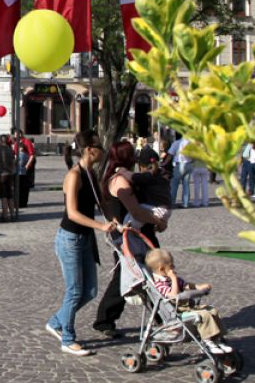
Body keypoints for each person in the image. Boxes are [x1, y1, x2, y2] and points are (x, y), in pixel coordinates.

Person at [45, 130, 116, 357]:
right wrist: (101, 226)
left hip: (85, 238)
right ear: (89, 150)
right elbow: (73, 213)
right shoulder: (74, 175)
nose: (103, 151)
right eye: (100, 147)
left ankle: (56, 321)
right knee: (75, 291)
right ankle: (67, 338)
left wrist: (114, 221)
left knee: (90, 291)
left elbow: (102, 203)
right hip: (70, 238)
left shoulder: (91, 174)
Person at [92, 140, 167, 339]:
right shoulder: (119, 181)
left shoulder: (122, 177)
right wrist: (158, 220)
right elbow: (135, 211)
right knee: (134, 274)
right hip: (130, 235)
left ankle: (163, 315)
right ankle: (105, 319)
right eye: (132, 154)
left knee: (153, 272)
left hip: (138, 232)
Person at [145, 248, 232, 354]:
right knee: (204, 315)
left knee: (212, 311)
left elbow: (186, 285)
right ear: (162, 269)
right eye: (171, 266)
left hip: (187, 307)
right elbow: (174, 295)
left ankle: (216, 338)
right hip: (177, 312)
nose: (174, 267)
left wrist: (198, 287)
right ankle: (206, 341)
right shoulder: (160, 284)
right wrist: (173, 278)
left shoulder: (171, 278)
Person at [0, 133, 16, 222]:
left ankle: (5, 216)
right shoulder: (10, 150)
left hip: (1, 175)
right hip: (9, 175)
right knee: (10, 196)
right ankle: (12, 215)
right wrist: (11, 171)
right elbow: (14, 162)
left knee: (3, 196)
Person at [168, 134, 193, 208]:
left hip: (179, 165)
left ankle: (172, 202)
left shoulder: (177, 143)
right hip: (189, 164)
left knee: (174, 184)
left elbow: (170, 154)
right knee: (186, 185)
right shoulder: (191, 143)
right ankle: (185, 203)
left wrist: (164, 163)